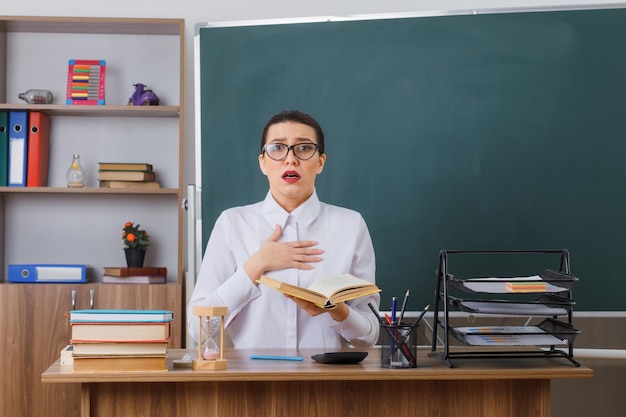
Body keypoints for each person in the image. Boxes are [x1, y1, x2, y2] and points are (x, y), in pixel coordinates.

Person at [187, 110, 379, 349]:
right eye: (277, 148)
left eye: (304, 148)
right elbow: (198, 328)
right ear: (263, 163)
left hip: (325, 382)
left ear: (320, 162)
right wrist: (256, 265)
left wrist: (336, 309)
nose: (290, 159)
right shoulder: (232, 223)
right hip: (252, 380)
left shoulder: (350, 225)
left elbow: (369, 337)